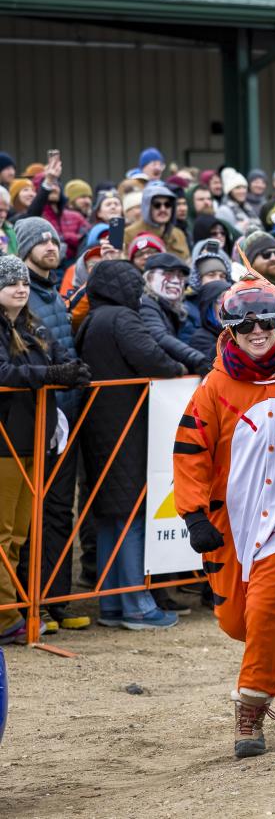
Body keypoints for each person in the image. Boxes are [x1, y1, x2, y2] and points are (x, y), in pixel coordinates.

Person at [173, 275, 275, 758]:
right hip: (232, 520)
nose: (258, 332)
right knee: (237, 621)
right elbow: (190, 451)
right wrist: (193, 513)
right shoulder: (214, 387)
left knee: (265, 611)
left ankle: (251, 711)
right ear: (229, 330)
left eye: (268, 322)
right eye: (245, 324)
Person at [76, 259, 185, 630]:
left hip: (100, 425)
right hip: (126, 426)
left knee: (110, 515)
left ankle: (111, 603)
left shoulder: (93, 318)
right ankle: (137, 604)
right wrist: (180, 371)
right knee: (131, 514)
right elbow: (150, 357)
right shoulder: (122, 318)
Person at [0, 256, 89, 643]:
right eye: (10, 283)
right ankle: (6, 618)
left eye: (22, 282)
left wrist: (66, 375)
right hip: (5, 441)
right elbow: (4, 372)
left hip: (33, 437)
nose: (20, 288)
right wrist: (51, 376)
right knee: (3, 535)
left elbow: (47, 361)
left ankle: (14, 610)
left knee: (20, 533)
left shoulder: (32, 325)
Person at [140, 252, 210, 375]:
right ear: (149, 278)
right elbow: (160, 337)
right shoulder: (146, 304)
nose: (176, 281)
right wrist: (198, 360)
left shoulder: (170, 309)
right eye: (168, 274)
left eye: (180, 276)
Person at [126, 181, 189, 262]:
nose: (163, 209)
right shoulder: (129, 233)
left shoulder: (178, 234)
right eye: (157, 205)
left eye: (167, 204)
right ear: (147, 207)